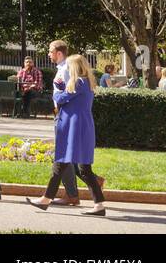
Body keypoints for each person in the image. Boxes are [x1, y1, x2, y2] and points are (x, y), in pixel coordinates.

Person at [26, 55, 107, 216]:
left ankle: (46, 199)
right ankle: (98, 205)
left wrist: (57, 90)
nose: (67, 69)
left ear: (75, 67)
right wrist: (62, 87)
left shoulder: (79, 82)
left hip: (74, 127)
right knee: (80, 168)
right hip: (78, 126)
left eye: (69, 66)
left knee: (66, 164)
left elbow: (60, 98)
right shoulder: (85, 82)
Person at [46, 40, 81, 205]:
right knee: (67, 155)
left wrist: (60, 104)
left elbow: (71, 90)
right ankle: (93, 181)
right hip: (61, 113)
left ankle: (72, 195)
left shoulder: (67, 69)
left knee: (62, 155)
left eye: (50, 51)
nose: (49, 54)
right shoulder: (61, 68)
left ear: (59, 53)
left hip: (63, 114)